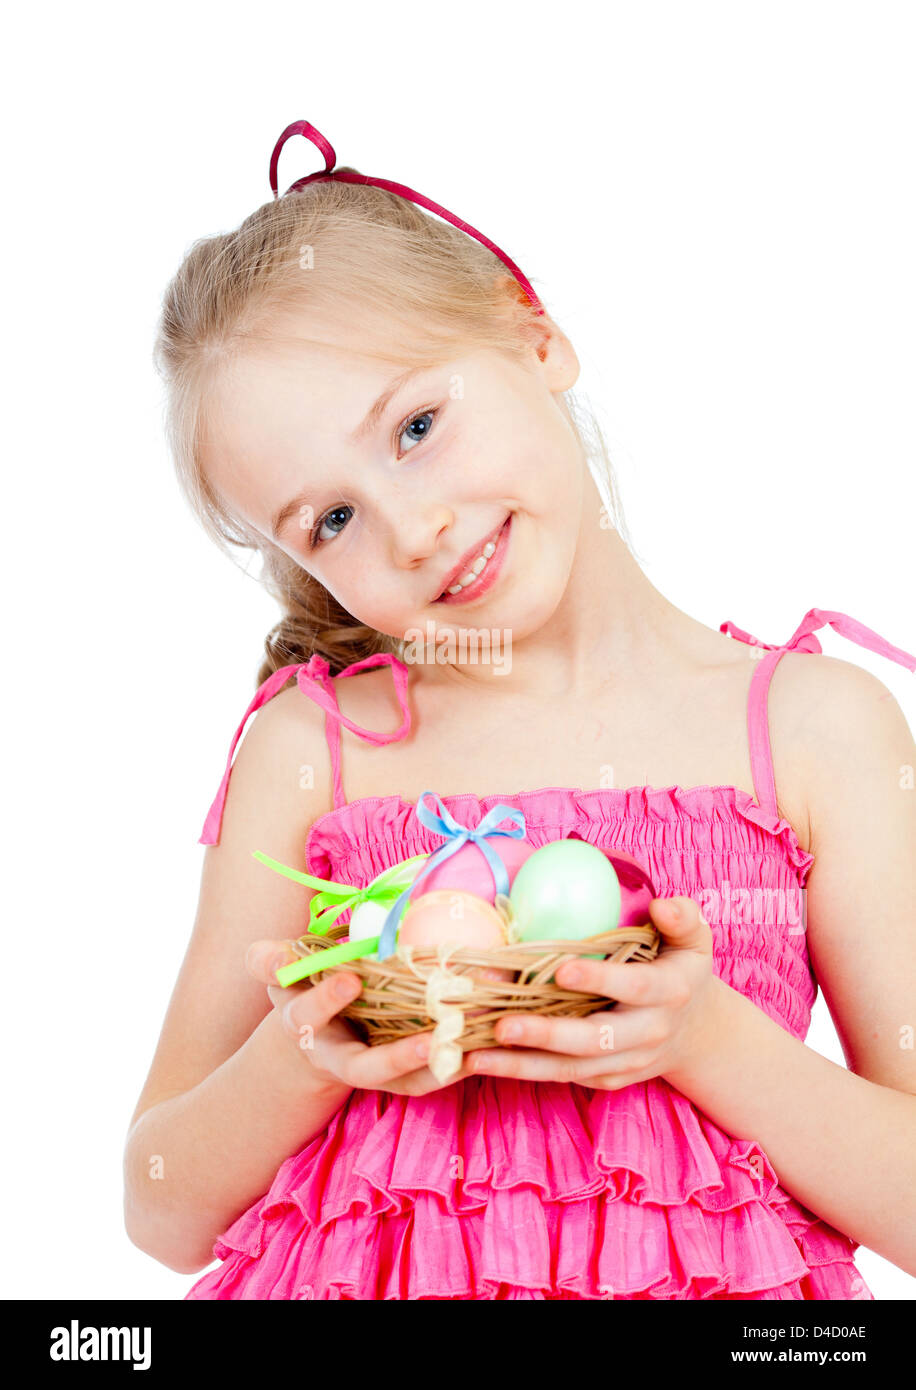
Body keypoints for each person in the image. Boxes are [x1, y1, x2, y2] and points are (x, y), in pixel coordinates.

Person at [123, 120, 916, 1299]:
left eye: (416, 427)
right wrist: (308, 1054)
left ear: (534, 334)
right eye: (329, 521)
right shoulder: (318, 752)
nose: (413, 529)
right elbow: (160, 1204)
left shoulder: (811, 731)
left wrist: (702, 1039)